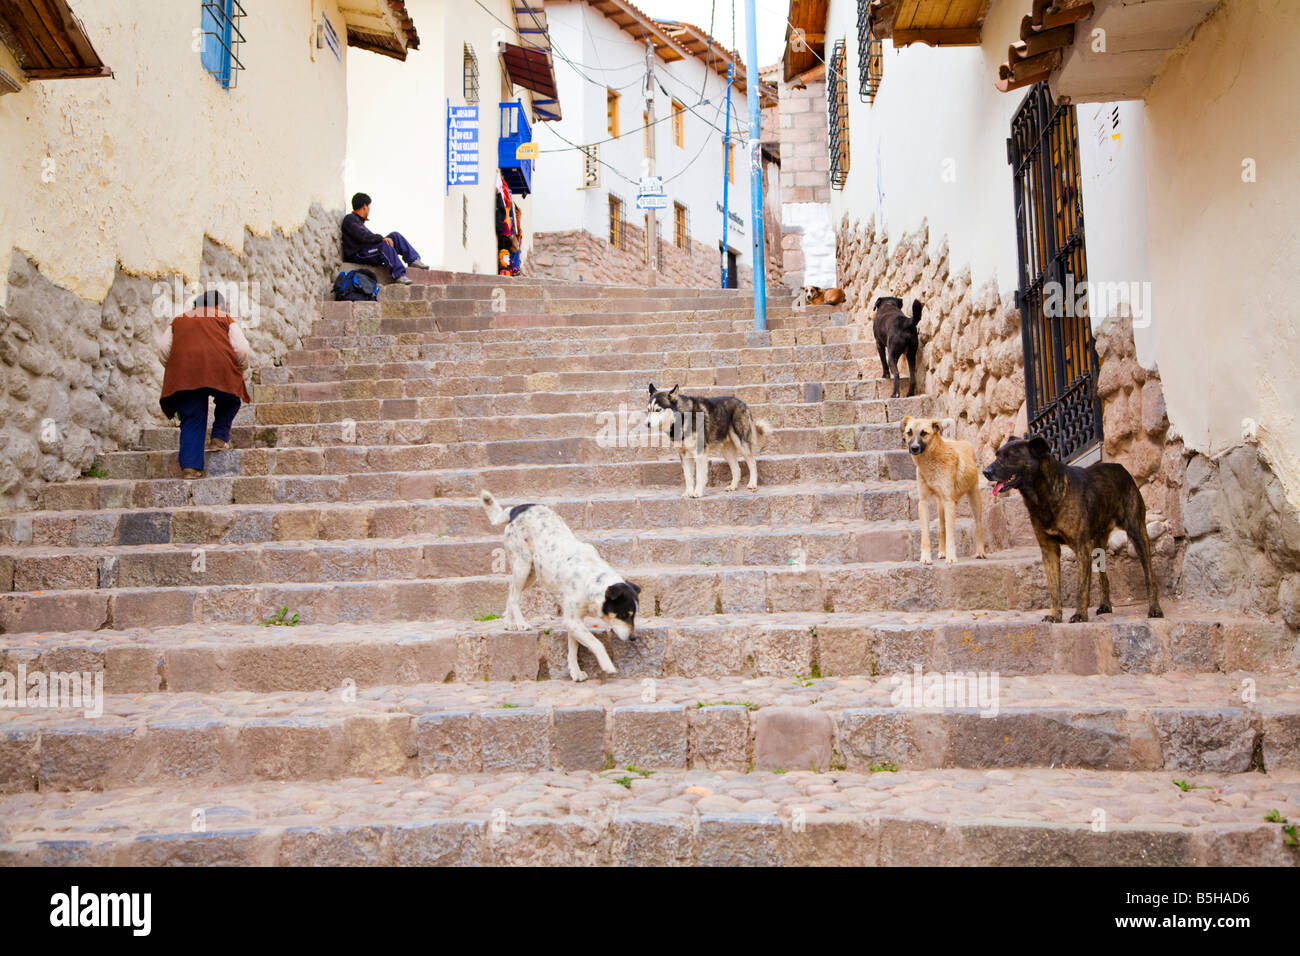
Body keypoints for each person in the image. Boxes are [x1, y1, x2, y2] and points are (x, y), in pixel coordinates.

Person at [156, 290, 253, 479]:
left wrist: (177, 366)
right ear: (218, 307)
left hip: (186, 373)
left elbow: (163, 348)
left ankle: (191, 468)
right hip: (220, 368)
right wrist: (240, 368)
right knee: (231, 398)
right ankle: (219, 437)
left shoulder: (179, 320)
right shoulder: (224, 317)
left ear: (195, 306)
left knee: (192, 416)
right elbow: (241, 348)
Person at [341, 192, 429, 285]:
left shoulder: (358, 221)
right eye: (369, 207)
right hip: (358, 254)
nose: (369, 210)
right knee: (383, 246)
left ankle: (413, 260)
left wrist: (382, 239)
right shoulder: (350, 219)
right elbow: (363, 236)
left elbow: (368, 237)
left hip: (367, 250)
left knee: (395, 236)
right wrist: (381, 239)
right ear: (364, 206)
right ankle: (399, 275)